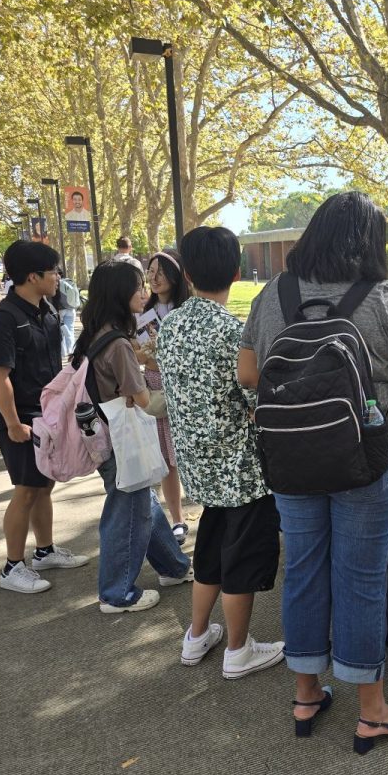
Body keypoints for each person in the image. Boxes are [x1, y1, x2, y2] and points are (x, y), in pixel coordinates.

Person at [238, 191, 388, 747]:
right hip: (370, 459)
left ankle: (306, 697)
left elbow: (249, 375)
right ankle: (371, 711)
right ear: (371, 242)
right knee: (361, 578)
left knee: (302, 569)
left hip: (291, 457)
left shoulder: (270, 297)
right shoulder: (387, 301)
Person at [157, 226, 285, 676]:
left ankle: (195, 636)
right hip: (241, 469)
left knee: (210, 549)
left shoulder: (170, 327)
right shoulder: (236, 333)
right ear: (236, 271)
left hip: (197, 466)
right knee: (242, 559)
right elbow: (259, 404)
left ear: (186, 273)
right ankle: (237, 649)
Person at [73, 260, 191, 613]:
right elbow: (142, 398)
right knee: (127, 514)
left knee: (144, 504)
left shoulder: (97, 332)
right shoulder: (118, 343)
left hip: (103, 436)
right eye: (138, 286)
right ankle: (116, 593)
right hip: (118, 440)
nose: (145, 292)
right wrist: (183, 400)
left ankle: (174, 567)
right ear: (120, 294)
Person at [0, 241, 90, 595]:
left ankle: (44, 551)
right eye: (53, 272)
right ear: (33, 276)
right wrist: (13, 423)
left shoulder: (46, 310)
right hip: (21, 419)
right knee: (26, 489)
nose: (58, 277)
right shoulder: (4, 319)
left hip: (47, 414)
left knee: (45, 483)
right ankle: (13, 566)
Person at [138, 249, 189, 540]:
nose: (154, 278)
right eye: (151, 271)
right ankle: (178, 519)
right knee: (168, 460)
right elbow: (142, 355)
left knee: (187, 453)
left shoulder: (187, 310)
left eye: (161, 271)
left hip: (186, 387)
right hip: (157, 391)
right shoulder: (145, 314)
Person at [57, 269, 80, 358]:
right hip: (71, 309)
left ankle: (63, 352)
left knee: (61, 331)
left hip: (61, 310)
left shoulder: (58, 283)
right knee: (70, 330)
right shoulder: (69, 282)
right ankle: (71, 350)